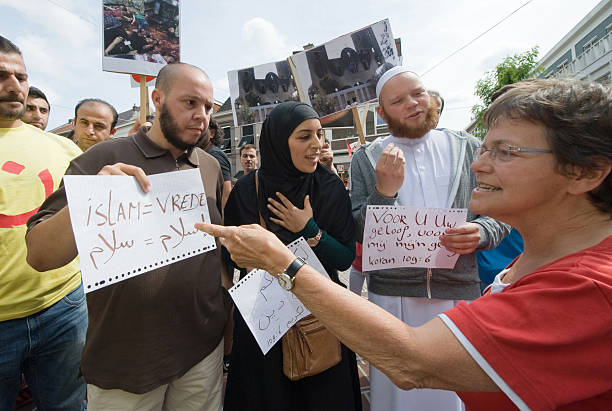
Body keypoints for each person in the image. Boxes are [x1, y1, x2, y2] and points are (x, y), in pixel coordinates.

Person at [198, 77, 612, 410]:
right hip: (359, 303)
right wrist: (385, 192)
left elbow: (413, 360)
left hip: (443, 296)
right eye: (486, 148)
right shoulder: (524, 276)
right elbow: (369, 234)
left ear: (584, 172)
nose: (479, 164)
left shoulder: (587, 291)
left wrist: (291, 257)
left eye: (505, 152)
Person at [26, 62, 232, 410]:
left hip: (201, 351)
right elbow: (40, 254)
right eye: (190, 103)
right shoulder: (104, 157)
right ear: (157, 99)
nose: (202, 115)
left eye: (208, 107)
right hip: (126, 363)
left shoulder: (209, 166)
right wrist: (94, 198)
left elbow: (213, 254)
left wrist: (224, 326)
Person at [350, 66, 509, 410]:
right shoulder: (365, 158)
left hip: (457, 295)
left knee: (455, 395)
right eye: (398, 100)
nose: (413, 104)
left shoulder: (469, 148)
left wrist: (482, 232)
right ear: (381, 112)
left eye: (418, 93)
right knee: (397, 395)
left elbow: (504, 211)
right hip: (392, 299)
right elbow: (361, 232)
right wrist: (384, 192)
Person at [222, 101, 362, 411]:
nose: (317, 145)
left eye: (320, 134)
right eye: (304, 136)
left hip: (320, 317)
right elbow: (234, 258)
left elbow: (343, 258)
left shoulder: (329, 187)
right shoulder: (246, 192)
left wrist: (309, 230)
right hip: (265, 322)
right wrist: (259, 251)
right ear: (278, 140)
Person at [0, 35, 87, 411]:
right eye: (1, 75)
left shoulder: (64, 149)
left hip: (63, 309)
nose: (14, 85)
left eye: (21, 76)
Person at [199, 117, 232, 209]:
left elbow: (226, 190)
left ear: (212, 133)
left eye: (200, 128)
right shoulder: (201, 154)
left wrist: (222, 220)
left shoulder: (215, 155)